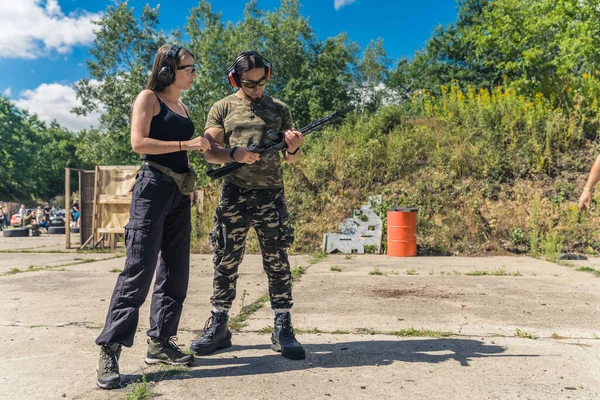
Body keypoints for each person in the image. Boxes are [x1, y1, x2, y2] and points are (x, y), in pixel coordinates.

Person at [94, 44, 211, 390]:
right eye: (188, 67)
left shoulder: (183, 105)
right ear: (167, 71)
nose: (193, 73)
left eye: (193, 67)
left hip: (179, 193)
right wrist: (185, 146)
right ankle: (109, 349)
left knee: (176, 271)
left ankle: (160, 342)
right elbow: (139, 143)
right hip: (152, 188)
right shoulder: (149, 98)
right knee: (139, 270)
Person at [190, 51, 306, 360]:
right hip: (234, 194)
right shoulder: (223, 108)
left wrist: (293, 147)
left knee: (277, 261)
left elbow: (290, 160)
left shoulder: (280, 109)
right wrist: (234, 154)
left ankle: (283, 327)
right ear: (235, 80)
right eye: (249, 83)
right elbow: (210, 152)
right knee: (226, 260)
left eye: (262, 82)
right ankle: (219, 326)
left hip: (270, 195)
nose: (256, 88)